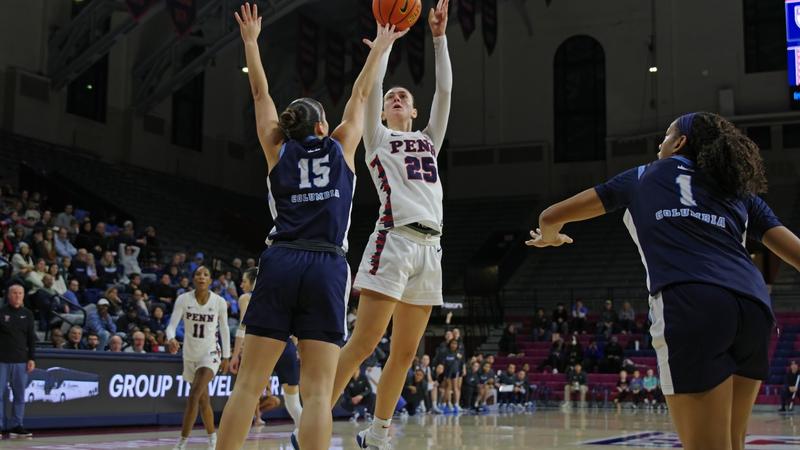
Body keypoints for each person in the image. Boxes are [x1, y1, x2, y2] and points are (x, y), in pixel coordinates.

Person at [527, 112, 800, 450]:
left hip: (691, 300)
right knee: (732, 443)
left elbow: (550, 216)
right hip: (753, 306)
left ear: (680, 142)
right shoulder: (735, 190)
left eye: (667, 135)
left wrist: (550, 237)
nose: (661, 142)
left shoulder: (642, 175)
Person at [215, 5, 405, 450]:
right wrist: (379, 48)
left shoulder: (276, 149)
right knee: (319, 393)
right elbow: (361, 95)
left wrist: (250, 43)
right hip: (325, 265)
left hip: (280, 259)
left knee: (247, 386)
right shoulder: (341, 146)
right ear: (323, 125)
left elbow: (260, 94)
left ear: (288, 128)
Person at [330, 2, 452, 448]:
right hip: (393, 241)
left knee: (404, 353)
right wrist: (382, 48)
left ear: (414, 112)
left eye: (403, 97)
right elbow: (374, 85)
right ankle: (313, 422)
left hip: (431, 250)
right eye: (390, 99)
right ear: (382, 114)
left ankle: (378, 434)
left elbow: (444, 93)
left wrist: (438, 39)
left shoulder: (427, 140)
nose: (396, 98)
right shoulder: (379, 140)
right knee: (364, 343)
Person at [229, 268, 302, 429]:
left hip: (261, 347)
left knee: (246, 396)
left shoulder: (246, 298)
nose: (241, 284)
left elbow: (243, 327)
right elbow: (296, 329)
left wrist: (235, 355)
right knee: (294, 403)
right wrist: (296, 349)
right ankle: (307, 439)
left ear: (253, 282)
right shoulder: (282, 296)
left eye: (244, 281)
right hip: (286, 346)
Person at [166, 266, 230, 450]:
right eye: (198, 274)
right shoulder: (183, 299)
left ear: (210, 281)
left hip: (210, 354)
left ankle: (181, 442)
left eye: (206, 275)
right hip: (190, 354)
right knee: (203, 400)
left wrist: (226, 355)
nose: (202, 277)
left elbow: (224, 329)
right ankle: (212, 438)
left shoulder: (218, 302)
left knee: (193, 395)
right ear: (194, 279)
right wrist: (171, 338)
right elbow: (171, 325)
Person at [0, 284, 35, 437]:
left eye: (20, 293)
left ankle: (17, 425)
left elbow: (31, 338)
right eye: (14, 293)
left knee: (20, 395)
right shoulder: (1, 312)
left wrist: (32, 358)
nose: (17, 296)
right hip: (2, 360)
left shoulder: (27, 314)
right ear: (8, 295)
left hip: (21, 360)